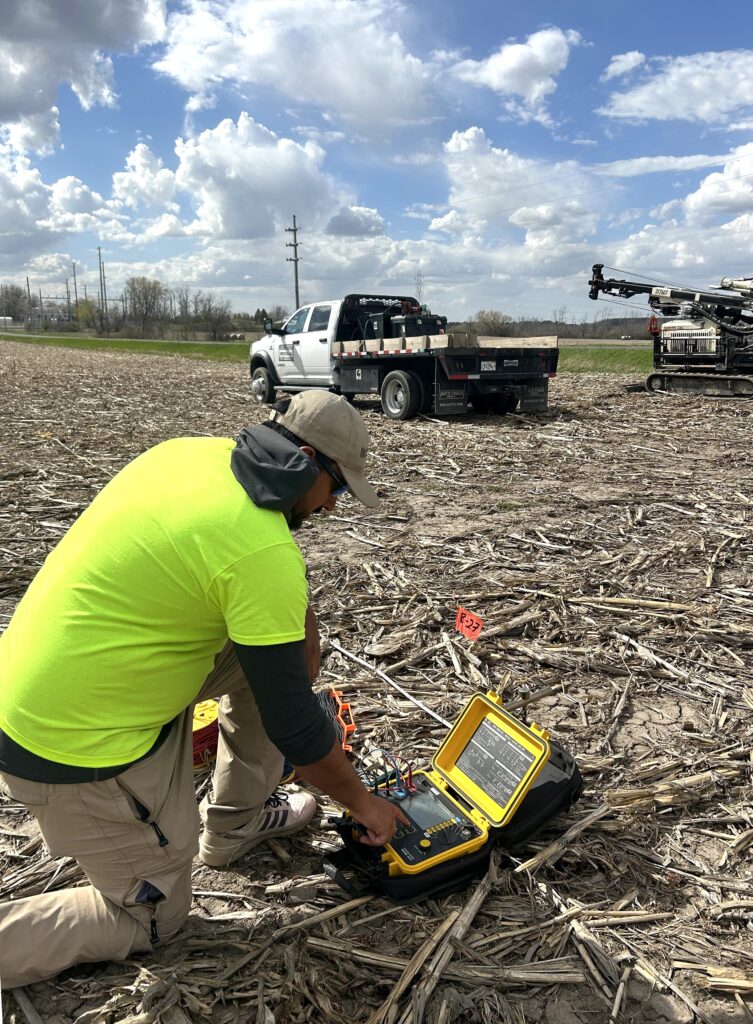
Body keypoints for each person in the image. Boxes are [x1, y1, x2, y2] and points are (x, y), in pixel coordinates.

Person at [0, 391, 408, 989]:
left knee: (272, 665)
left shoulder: (190, 457)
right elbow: (297, 725)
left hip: (47, 689)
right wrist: (364, 804)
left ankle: (234, 821)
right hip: (70, 748)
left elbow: (281, 623)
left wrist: (295, 621)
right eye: (338, 490)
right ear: (305, 464)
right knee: (152, 919)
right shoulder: (259, 552)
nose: (333, 507)